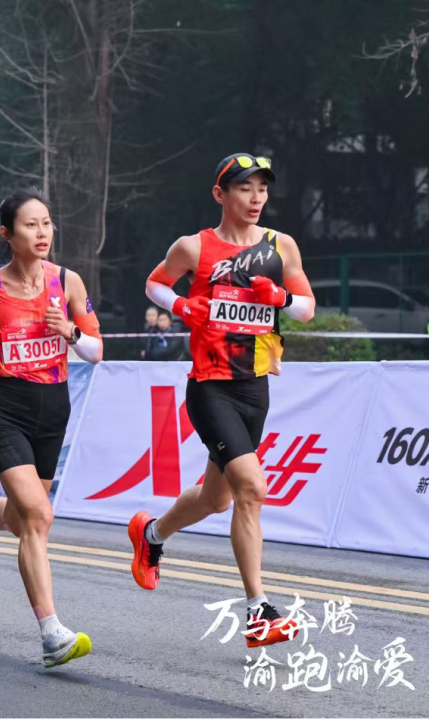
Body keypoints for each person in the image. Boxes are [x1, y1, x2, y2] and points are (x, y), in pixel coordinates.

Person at [129, 153, 316, 649]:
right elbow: (154, 283)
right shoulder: (194, 247)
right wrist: (182, 305)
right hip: (210, 387)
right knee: (251, 487)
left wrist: (279, 299)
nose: (256, 198)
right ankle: (259, 612)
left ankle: (151, 535)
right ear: (220, 194)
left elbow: (307, 308)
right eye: (244, 188)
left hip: (256, 387)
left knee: (218, 499)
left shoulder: (281, 245)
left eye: (262, 189)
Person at [0, 189, 103, 668]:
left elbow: (96, 351)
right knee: (39, 517)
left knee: (24, 517)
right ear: (7, 234)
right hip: (6, 412)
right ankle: (52, 634)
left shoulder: (67, 282)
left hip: (54, 412)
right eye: (30, 225)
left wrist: (70, 332)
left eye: (46, 223)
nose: (42, 232)